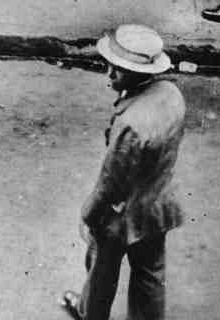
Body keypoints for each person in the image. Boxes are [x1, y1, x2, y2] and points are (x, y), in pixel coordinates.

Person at [60, 25, 185, 320]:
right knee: (150, 273)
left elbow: (111, 182)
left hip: (123, 213)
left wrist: (91, 213)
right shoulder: (170, 93)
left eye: (118, 70)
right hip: (159, 203)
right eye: (111, 66)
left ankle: (90, 314)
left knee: (102, 268)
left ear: (139, 73)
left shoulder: (131, 122)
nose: (110, 75)